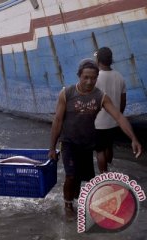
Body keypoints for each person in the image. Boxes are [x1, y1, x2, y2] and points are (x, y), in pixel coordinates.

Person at [48, 58, 142, 217]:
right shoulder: (67, 93)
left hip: (87, 143)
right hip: (69, 142)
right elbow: (57, 120)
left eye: (93, 78)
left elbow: (119, 117)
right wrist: (52, 147)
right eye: (86, 77)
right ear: (79, 76)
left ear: (97, 77)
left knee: (84, 178)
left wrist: (134, 138)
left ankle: (74, 196)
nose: (89, 81)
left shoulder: (101, 97)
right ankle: (68, 206)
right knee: (70, 175)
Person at [94, 47, 127, 173]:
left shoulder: (95, 78)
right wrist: (118, 117)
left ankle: (104, 175)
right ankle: (109, 169)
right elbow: (123, 100)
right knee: (109, 146)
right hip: (114, 121)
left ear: (98, 60)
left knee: (100, 150)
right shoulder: (119, 76)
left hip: (99, 123)